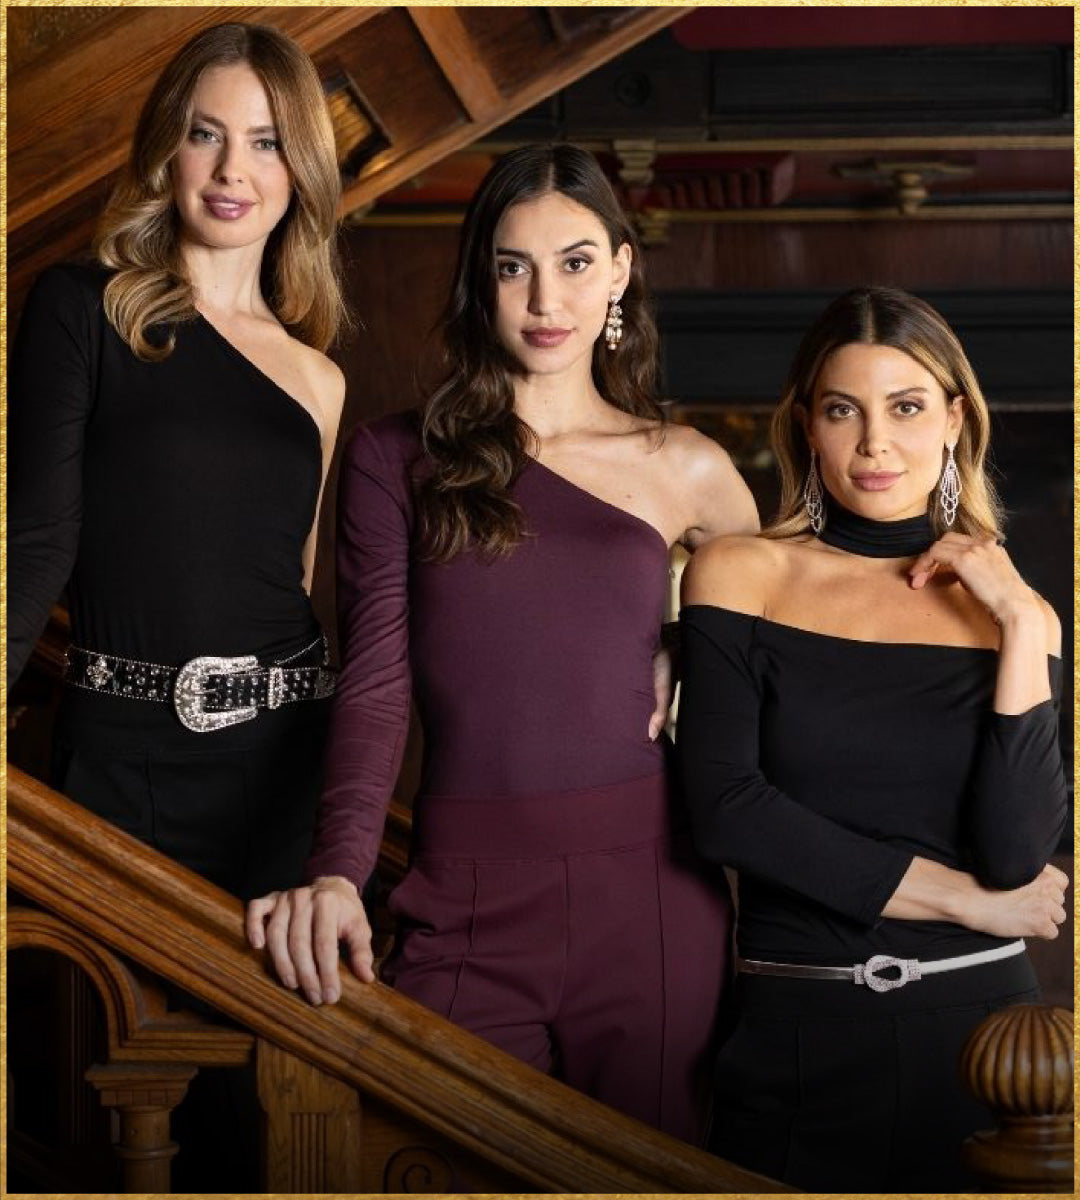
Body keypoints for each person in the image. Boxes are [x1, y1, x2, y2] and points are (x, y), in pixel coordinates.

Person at [247, 143, 760, 1142]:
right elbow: (376, 682)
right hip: (465, 896)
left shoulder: (685, 465)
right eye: (513, 265)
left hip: (652, 892)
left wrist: (699, 640)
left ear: (618, 270)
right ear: (482, 278)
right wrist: (341, 872)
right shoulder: (396, 457)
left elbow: (795, 631)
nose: (544, 298)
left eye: (574, 262)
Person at [676, 286, 1069, 1189]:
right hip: (797, 1026)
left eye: (906, 407)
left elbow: (1014, 858)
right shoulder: (743, 571)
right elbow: (728, 810)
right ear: (807, 425)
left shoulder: (1022, 618)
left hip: (986, 1038)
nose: (874, 444)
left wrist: (1016, 619)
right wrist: (964, 902)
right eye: (843, 410)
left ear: (954, 420)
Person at [8, 22, 348, 902]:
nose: (233, 169)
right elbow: (38, 539)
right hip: (120, 753)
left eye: (266, 143)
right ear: (169, 150)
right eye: (207, 133)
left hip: (286, 758)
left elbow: (297, 573)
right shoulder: (83, 306)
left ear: (299, 169)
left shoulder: (319, 377)